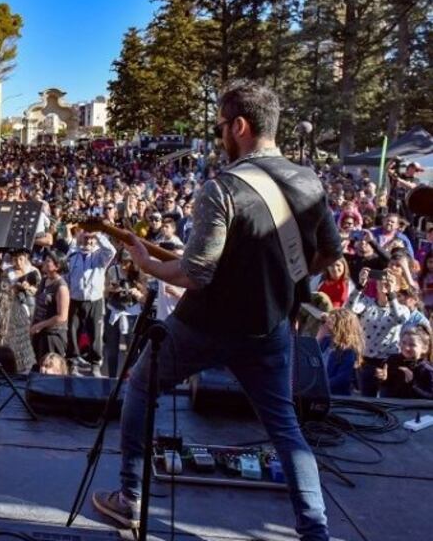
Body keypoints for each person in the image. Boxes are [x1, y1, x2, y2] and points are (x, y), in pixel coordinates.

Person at [91, 80, 337, 541]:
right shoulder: (309, 181)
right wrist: (282, 280)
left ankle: (130, 499)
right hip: (269, 327)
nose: (220, 134)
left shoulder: (220, 188)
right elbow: (328, 252)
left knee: (142, 387)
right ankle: (315, 530)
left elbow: (197, 275)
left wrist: (147, 263)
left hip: (204, 325)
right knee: (285, 428)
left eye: (222, 126)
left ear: (240, 126)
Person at [348, 267, 410, 397]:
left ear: (397, 287)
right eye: (381, 279)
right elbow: (349, 309)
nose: (384, 282)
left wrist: (391, 293)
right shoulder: (367, 303)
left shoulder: (403, 309)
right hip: (366, 362)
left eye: (389, 280)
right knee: (367, 400)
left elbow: (398, 318)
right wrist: (360, 285)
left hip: (388, 362)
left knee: (386, 400)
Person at [65, 228, 117, 377]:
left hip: (95, 300)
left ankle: (95, 364)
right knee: (73, 333)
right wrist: (78, 236)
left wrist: (98, 234)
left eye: (91, 239)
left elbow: (111, 251)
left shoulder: (100, 256)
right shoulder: (74, 255)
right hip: (75, 299)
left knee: (96, 334)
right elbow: (66, 269)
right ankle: (73, 363)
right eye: (86, 238)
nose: (88, 241)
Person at [29, 251, 70, 365]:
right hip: (39, 332)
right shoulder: (44, 280)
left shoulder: (61, 287)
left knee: (51, 367)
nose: (44, 263)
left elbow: (62, 316)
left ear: (57, 266)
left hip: (53, 335)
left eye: (48, 261)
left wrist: (40, 325)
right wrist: (33, 325)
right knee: (40, 365)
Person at [316, 308, 365, 396]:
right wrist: (319, 336)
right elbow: (311, 356)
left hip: (336, 395)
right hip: (320, 391)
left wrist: (321, 386)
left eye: (330, 323)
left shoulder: (349, 351)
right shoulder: (326, 341)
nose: (327, 325)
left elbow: (343, 378)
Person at [376, 326, 433, 399]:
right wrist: (383, 379)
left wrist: (412, 383)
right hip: (393, 407)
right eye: (403, 343)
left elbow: (430, 397)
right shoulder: (392, 360)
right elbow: (387, 388)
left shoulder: (427, 370)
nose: (406, 348)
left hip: (414, 408)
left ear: (424, 348)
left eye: (412, 345)